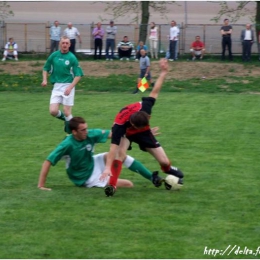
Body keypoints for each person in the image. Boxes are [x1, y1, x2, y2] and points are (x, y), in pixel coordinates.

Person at [100, 59, 184, 197]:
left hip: (144, 133)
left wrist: (163, 72)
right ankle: (112, 185)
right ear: (133, 124)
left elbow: (155, 91)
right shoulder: (119, 126)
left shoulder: (145, 108)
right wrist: (107, 168)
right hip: (126, 134)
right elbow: (112, 148)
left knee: (163, 161)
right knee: (120, 154)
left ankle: (168, 169)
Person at [37, 117, 163, 191]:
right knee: (129, 184)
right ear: (74, 132)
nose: (87, 131)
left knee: (119, 155)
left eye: (86, 128)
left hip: (92, 162)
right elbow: (48, 161)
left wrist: (142, 133)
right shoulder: (67, 145)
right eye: (83, 130)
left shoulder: (90, 134)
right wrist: (41, 186)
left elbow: (117, 135)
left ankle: (152, 177)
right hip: (85, 177)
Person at [41, 36, 84, 134]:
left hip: (68, 85)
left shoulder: (72, 58)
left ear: (69, 45)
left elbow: (78, 75)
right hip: (56, 86)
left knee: (66, 111)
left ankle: (71, 133)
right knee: (53, 111)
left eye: (66, 43)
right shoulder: (54, 56)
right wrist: (45, 80)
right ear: (60, 44)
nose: (64, 45)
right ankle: (68, 121)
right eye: (63, 43)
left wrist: (70, 87)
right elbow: (45, 68)